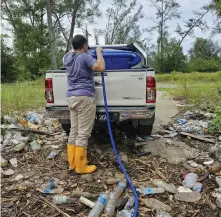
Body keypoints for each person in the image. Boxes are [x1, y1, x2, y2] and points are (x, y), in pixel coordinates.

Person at [63, 34, 105, 174]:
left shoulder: (66, 57)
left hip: (71, 97)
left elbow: (73, 51)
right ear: (84, 45)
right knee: (83, 133)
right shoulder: (85, 56)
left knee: (74, 131)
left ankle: (73, 163)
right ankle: (81, 167)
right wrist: (98, 52)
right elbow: (100, 67)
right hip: (85, 97)